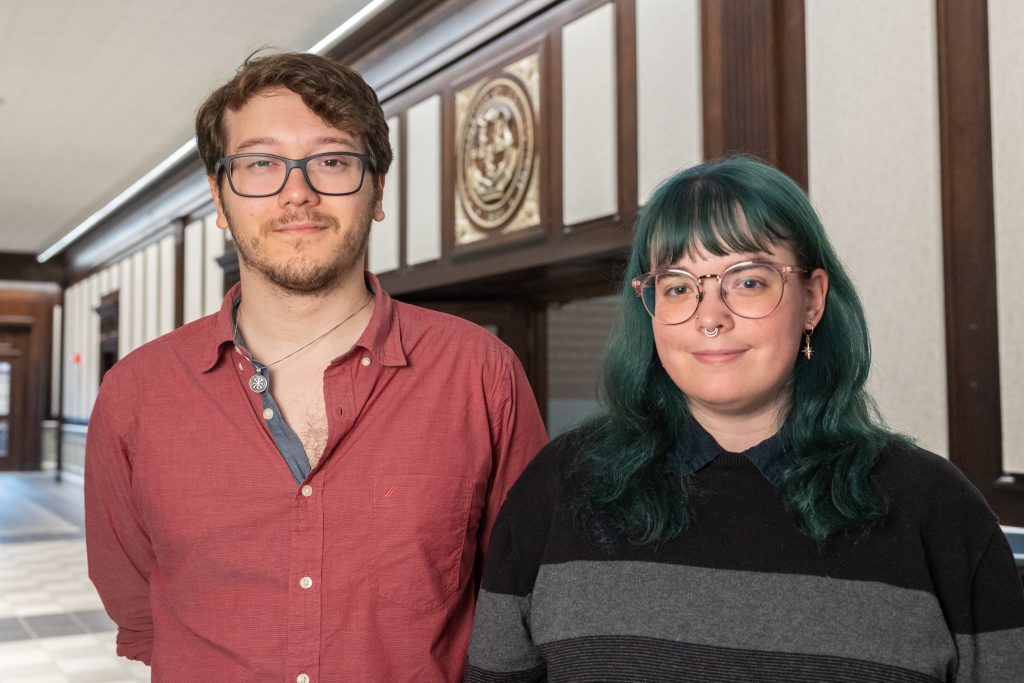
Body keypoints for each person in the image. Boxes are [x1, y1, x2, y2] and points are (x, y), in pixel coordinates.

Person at [465, 156, 1024, 682]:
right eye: (678, 287)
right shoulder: (560, 485)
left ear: (812, 300)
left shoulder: (935, 508)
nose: (711, 317)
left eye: (748, 280)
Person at [85, 51, 547, 682]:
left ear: (377, 191)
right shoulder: (135, 395)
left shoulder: (481, 375)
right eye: (260, 163)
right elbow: (139, 609)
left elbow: (521, 598)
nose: (296, 192)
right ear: (220, 197)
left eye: (331, 161)